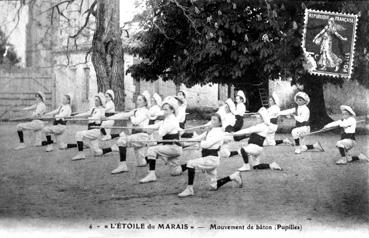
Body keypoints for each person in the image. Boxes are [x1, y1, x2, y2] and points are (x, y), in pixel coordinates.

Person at [177, 113, 243, 197]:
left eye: (214, 120)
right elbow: (198, 138)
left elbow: (206, 144)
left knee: (190, 163)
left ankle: (189, 189)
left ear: (220, 123)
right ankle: (234, 176)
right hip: (207, 158)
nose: (211, 121)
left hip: (212, 159)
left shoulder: (219, 133)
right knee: (213, 186)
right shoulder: (210, 131)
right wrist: (184, 143)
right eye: (211, 119)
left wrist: (199, 142)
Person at [101, 91, 151, 174]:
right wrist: (108, 118)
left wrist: (130, 116)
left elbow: (136, 122)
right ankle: (151, 157)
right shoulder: (136, 110)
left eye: (140, 100)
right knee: (141, 163)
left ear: (145, 102)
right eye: (137, 99)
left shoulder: (146, 112)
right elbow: (122, 115)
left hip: (142, 136)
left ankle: (123, 166)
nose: (137, 101)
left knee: (121, 141)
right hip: (136, 136)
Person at [223, 107, 282, 172]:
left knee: (243, 150)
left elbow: (248, 130)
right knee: (256, 166)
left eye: (259, 118)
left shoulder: (261, 126)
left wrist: (235, 133)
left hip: (255, 148)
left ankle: (246, 166)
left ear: (263, 119)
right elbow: (248, 134)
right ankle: (272, 165)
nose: (257, 119)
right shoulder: (261, 126)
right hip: (256, 148)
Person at [139, 96, 183, 183]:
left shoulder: (172, 120)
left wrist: (151, 129)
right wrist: (143, 127)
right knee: (175, 171)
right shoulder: (167, 119)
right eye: (163, 109)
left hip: (174, 148)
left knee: (151, 150)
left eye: (166, 109)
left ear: (172, 110)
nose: (164, 111)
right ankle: (189, 166)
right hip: (169, 147)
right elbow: (156, 125)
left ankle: (151, 175)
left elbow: (161, 132)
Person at [69, 93, 106, 161]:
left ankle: (81, 154)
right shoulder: (93, 109)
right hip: (91, 130)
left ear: (101, 101)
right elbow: (87, 114)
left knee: (78, 134)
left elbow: (100, 117)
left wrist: (102, 117)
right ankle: (114, 148)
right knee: (97, 152)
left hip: (95, 130)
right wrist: (75, 116)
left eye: (97, 100)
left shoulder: (102, 110)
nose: (95, 102)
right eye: (95, 100)